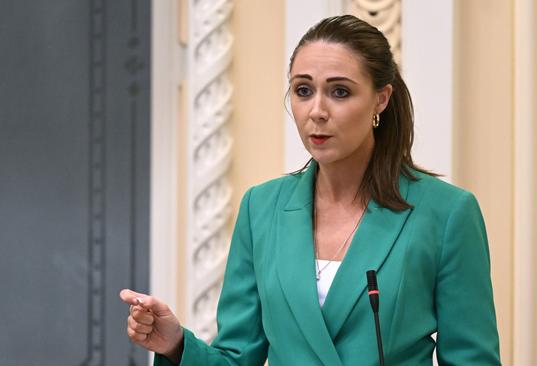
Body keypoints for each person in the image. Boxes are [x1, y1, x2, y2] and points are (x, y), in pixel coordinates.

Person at [121, 15, 501, 365]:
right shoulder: (262, 209)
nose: (316, 111)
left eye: (339, 92)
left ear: (380, 99)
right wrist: (175, 345)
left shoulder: (447, 213)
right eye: (303, 90)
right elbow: (238, 357)